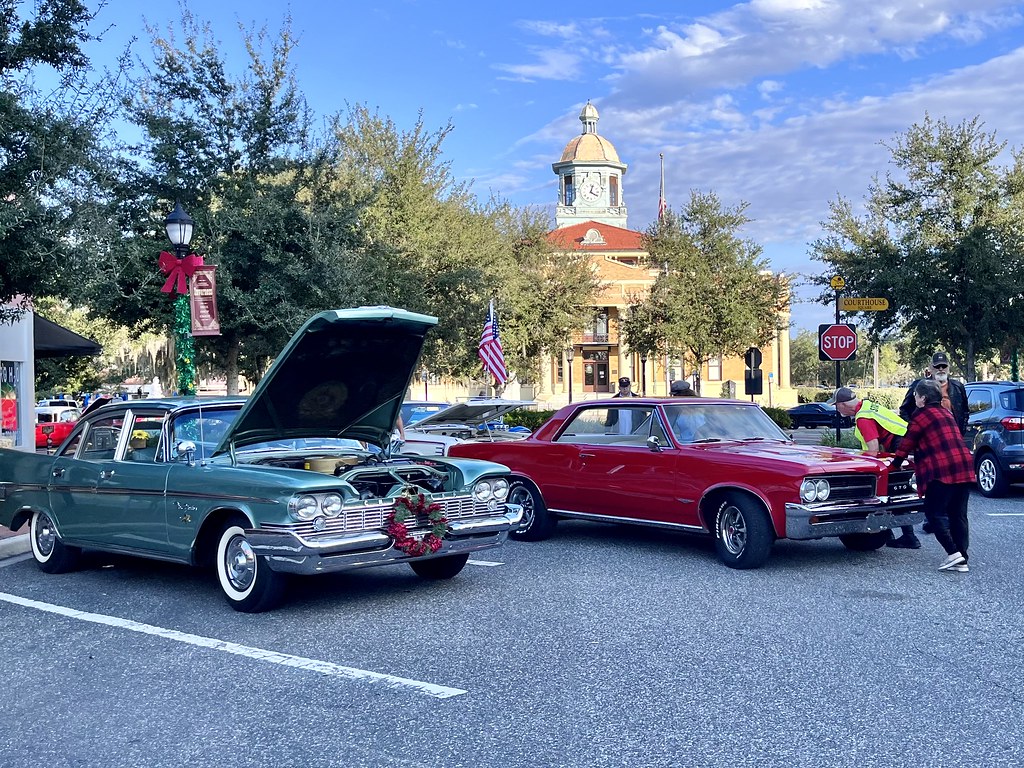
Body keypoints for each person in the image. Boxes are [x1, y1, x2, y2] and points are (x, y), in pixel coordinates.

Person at [890, 378, 975, 573]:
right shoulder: (946, 413)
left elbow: (906, 444)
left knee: (933, 513)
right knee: (958, 514)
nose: (915, 399)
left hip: (942, 469)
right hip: (963, 465)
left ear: (924, 398)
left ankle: (953, 554)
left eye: (916, 396)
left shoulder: (921, 415)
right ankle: (962, 557)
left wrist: (895, 465)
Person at [831, 386, 920, 549]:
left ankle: (907, 536)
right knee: (898, 490)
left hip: (900, 445)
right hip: (906, 442)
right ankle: (903, 535)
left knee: (890, 490)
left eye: (836, 405)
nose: (836, 410)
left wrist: (869, 471)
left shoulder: (863, 418)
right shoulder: (867, 406)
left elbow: (873, 448)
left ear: (843, 405)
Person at [900, 352, 969, 536]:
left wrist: (960, 433)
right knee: (933, 481)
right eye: (937, 366)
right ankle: (932, 520)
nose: (940, 370)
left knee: (951, 483)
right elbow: (904, 409)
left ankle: (942, 520)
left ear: (948, 368)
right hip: (928, 443)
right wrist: (916, 428)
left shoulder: (957, 386)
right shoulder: (919, 386)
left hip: (951, 440)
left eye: (943, 367)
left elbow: (964, 412)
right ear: (930, 368)